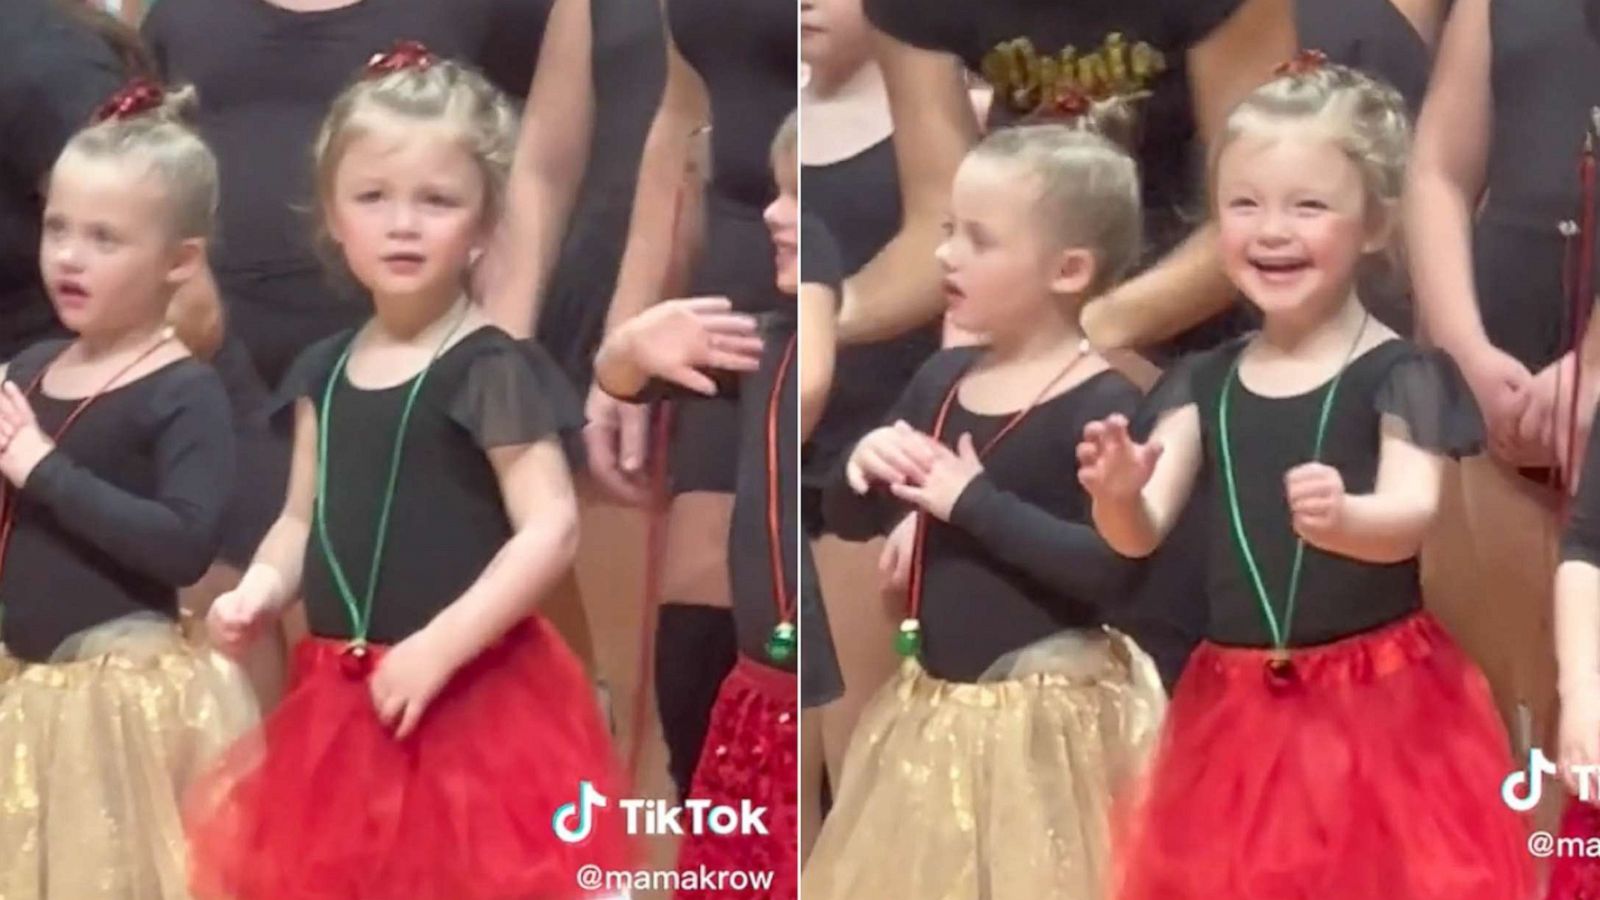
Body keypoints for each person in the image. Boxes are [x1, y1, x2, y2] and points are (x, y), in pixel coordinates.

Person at [182, 46, 628, 899]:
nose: (403, 224)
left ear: (486, 223)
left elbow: (552, 529)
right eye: (374, 199)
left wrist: (438, 648)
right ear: (333, 216)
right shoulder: (321, 369)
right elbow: (298, 520)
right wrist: (262, 592)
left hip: (475, 700)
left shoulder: (490, 367)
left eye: (437, 201)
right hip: (344, 706)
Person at [1094, 61, 1531, 899]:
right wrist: (1117, 493)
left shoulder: (1401, 374)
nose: (1272, 231)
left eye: (1309, 205)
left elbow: (1412, 513)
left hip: (1383, 708)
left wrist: (1346, 520)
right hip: (1236, 712)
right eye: (1244, 205)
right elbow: (1141, 529)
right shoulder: (1203, 381)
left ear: (1374, 224)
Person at [803, 123, 1168, 899]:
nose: (945, 256)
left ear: (1069, 270)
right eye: (946, 232)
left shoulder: (1103, 405)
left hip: (1048, 734)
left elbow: (1110, 574)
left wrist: (972, 503)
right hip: (935, 720)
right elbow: (852, 516)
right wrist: (861, 469)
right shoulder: (941, 378)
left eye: (978, 239)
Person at [0, 80, 255, 897]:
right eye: (57, 228)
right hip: (20, 696)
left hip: (117, 714)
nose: (69, 256)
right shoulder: (30, 369)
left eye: (105, 238)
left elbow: (184, 543)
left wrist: (43, 469)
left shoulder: (183, 389)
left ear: (178, 261)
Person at [584, 0, 798, 801]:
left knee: (811, 686)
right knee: (696, 678)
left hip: (856, 287)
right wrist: (628, 339)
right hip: (733, 309)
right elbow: (683, 116)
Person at [799, 0, 936, 797]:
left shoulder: (944, 120)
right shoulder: (754, 132)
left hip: (875, 460)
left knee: (866, 766)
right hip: (780, 446)